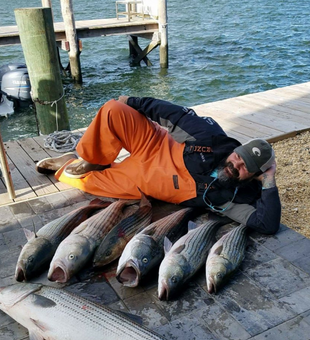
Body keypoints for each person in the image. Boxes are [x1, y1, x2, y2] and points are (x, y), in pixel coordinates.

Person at [36, 97, 281, 235]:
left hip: (142, 182)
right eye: (238, 156)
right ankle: (92, 159)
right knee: (114, 110)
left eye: (244, 167)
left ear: (256, 176)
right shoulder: (212, 137)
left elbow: (267, 224)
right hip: (153, 145)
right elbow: (174, 114)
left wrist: (270, 180)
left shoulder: (240, 197)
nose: (235, 164)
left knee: (82, 181)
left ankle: (67, 164)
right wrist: (131, 100)